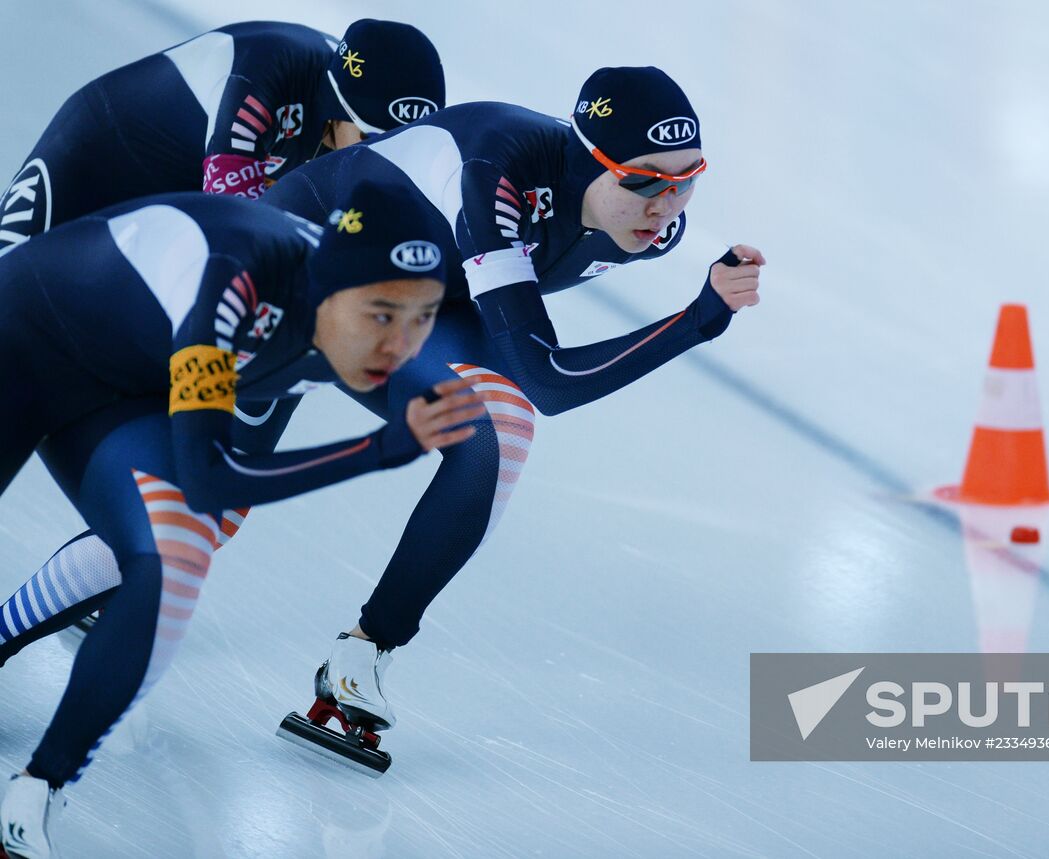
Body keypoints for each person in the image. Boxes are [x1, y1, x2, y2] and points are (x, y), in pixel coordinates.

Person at [1, 66, 766, 771]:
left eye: (688, 183)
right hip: (300, 284)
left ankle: (363, 654)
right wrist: (697, 318)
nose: (666, 206)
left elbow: (513, 357)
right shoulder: (493, 174)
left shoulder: (650, 227)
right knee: (201, 514)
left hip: (429, 300)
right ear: (587, 157)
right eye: (643, 181)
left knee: (492, 431)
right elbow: (550, 378)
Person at [0, 182, 483, 859]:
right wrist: (372, 450)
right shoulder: (233, 277)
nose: (401, 345)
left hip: (121, 394)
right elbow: (207, 476)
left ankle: (35, 791)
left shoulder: (358, 312)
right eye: (381, 315)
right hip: (21, 336)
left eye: (425, 316)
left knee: (175, 551)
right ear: (326, 288)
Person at [0, 18, 444, 255]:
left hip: (175, 189)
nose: (380, 159)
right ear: (340, 111)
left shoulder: (346, 130)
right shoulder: (272, 66)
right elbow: (234, 217)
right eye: (373, 140)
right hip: (95, 151)